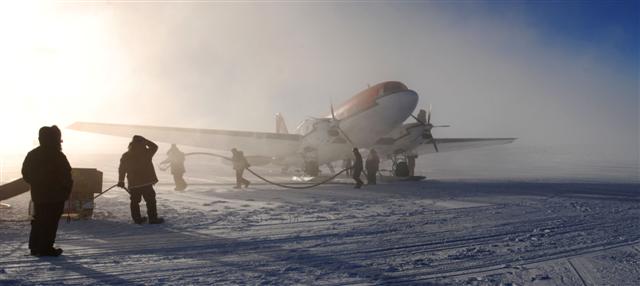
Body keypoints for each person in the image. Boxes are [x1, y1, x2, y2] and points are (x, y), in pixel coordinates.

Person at [22, 125, 73, 257]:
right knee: (50, 222)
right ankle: (46, 248)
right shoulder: (58, 156)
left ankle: (35, 247)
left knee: (38, 220)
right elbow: (67, 176)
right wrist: (66, 191)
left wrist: (36, 183)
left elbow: (25, 173)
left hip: (39, 195)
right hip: (56, 196)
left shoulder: (32, 154)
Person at [117, 135, 164, 224]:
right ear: (142, 142)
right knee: (150, 201)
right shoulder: (146, 152)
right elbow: (155, 146)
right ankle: (153, 219)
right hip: (146, 182)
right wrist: (146, 141)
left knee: (135, 202)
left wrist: (121, 180)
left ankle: (137, 220)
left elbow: (122, 169)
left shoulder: (126, 155)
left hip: (134, 183)